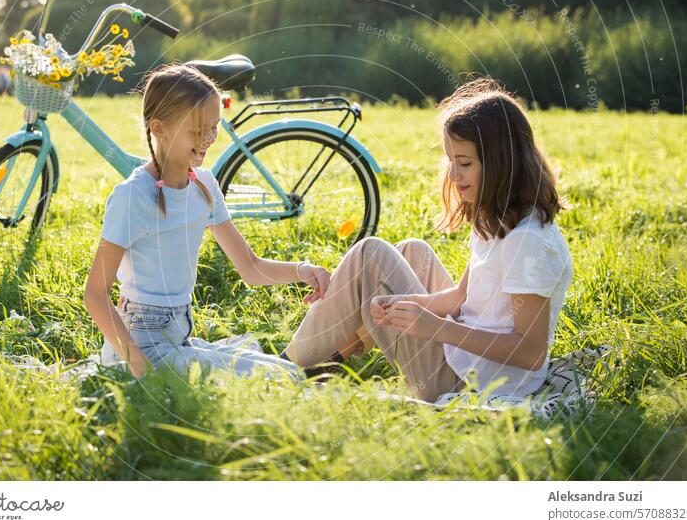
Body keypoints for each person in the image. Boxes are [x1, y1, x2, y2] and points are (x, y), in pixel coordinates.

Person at [280, 77, 573, 402]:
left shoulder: (527, 243)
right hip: (465, 359)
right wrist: (410, 306)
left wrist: (436, 328)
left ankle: (281, 369)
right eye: (450, 161)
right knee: (412, 252)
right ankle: (329, 360)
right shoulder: (497, 219)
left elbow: (529, 352)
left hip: (470, 382)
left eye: (464, 163)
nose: (452, 175)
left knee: (370, 255)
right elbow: (462, 297)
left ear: (502, 163)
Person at [84, 64, 331, 380]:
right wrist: (140, 369)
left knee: (283, 373)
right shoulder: (133, 196)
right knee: (276, 381)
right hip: (141, 346)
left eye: (214, 127)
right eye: (197, 131)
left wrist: (302, 270)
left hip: (178, 337)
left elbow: (250, 268)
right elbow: (95, 293)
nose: (208, 139)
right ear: (159, 128)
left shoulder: (204, 185)